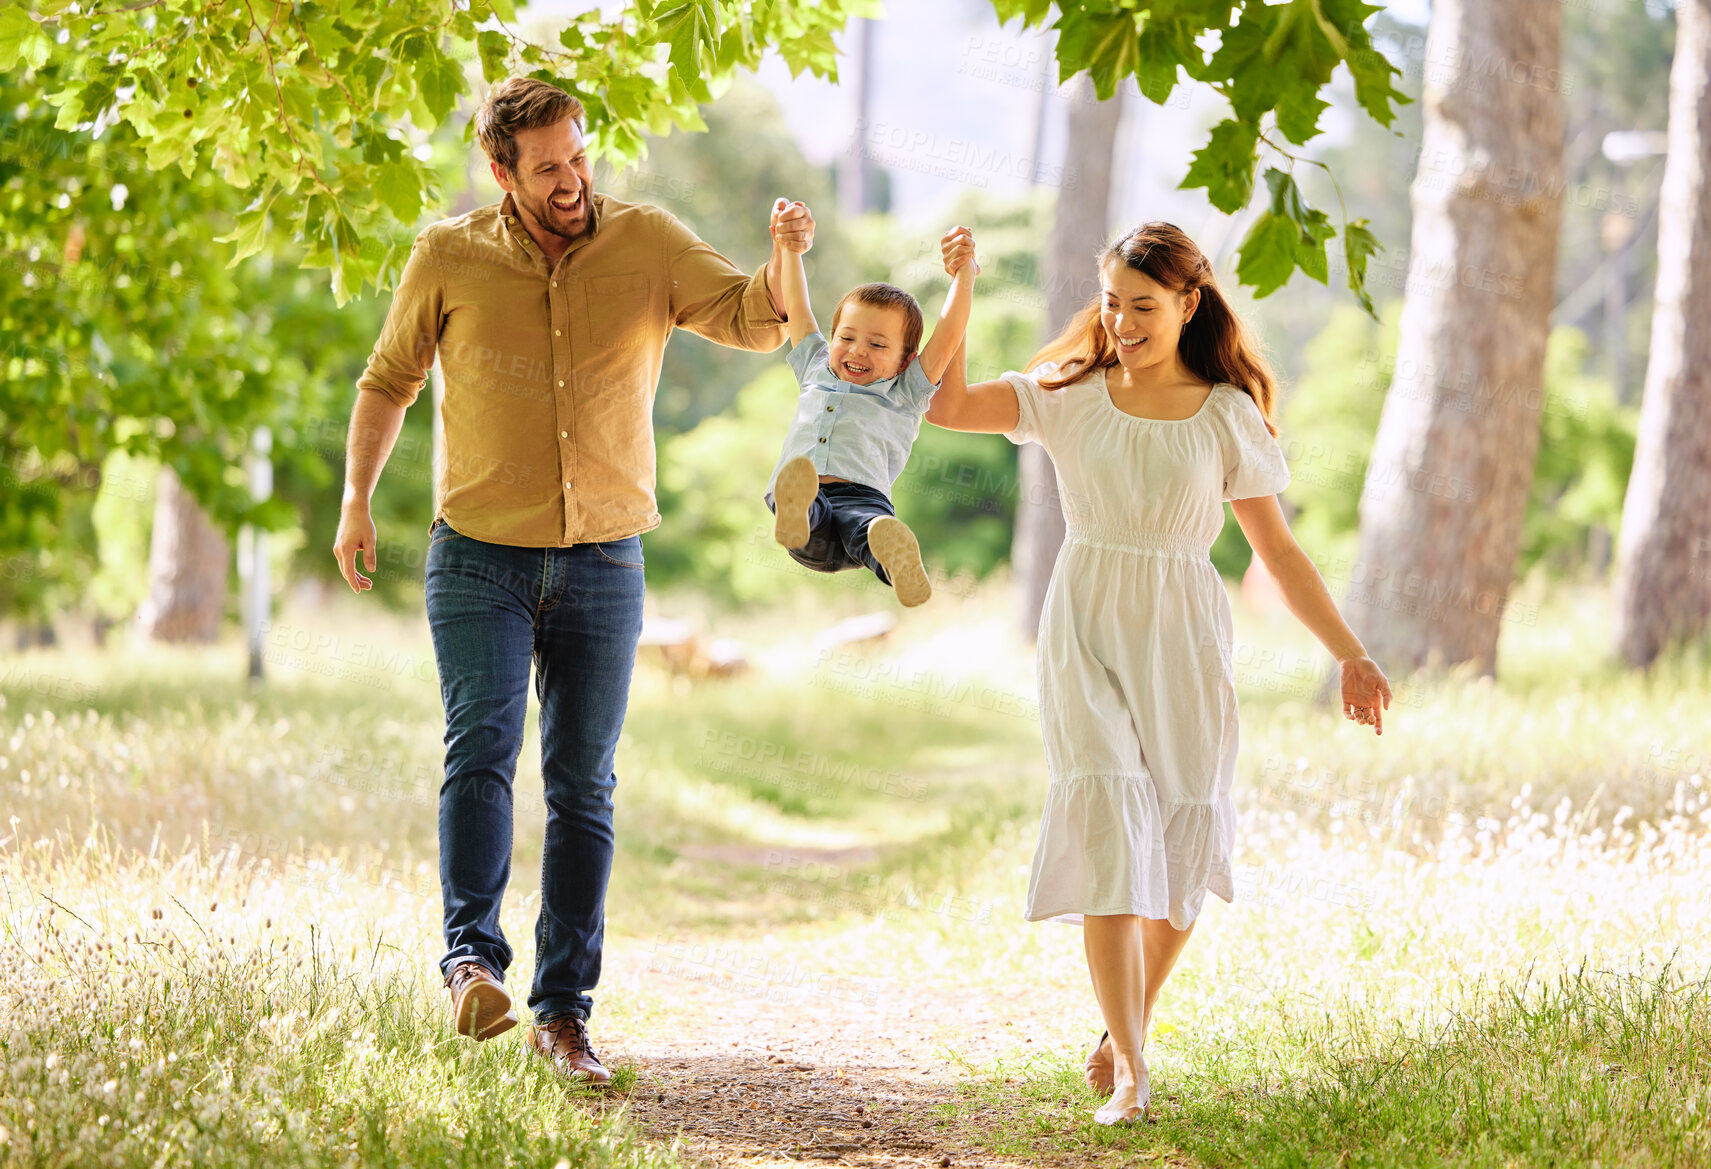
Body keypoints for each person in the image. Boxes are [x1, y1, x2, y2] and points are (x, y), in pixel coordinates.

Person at [332, 77, 814, 1085]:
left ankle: (564, 1012)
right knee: (481, 750)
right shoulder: (448, 255)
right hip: (478, 556)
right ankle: (470, 959)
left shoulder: (646, 241)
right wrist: (355, 502)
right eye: (546, 166)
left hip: (604, 558)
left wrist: (786, 259)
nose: (571, 180)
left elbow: (756, 322)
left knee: (584, 784)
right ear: (501, 172)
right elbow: (389, 380)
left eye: (579, 156)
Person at [924, 222, 1393, 1125]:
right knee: (1107, 819)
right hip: (1086, 619)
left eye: (1143, 305)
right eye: (1111, 303)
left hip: (1182, 630)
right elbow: (946, 406)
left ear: (1187, 303)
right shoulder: (1068, 392)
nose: (1123, 321)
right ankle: (1133, 1068)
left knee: (1181, 839)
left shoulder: (1226, 413)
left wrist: (1349, 651)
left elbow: (1280, 551)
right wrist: (964, 287)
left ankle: (1119, 1023)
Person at [763, 212, 978, 607]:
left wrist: (964, 276)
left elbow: (947, 335)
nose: (859, 350)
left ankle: (896, 560)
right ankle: (797, 511)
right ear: (831, 338)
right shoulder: (816, 365)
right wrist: (789, 249)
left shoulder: (906, 390)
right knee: (804, 510)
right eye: (847, 337)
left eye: (878, 345)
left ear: (905, 360)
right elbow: (797, 304)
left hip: (864, 498)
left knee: (867, 530)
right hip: (806, 498)